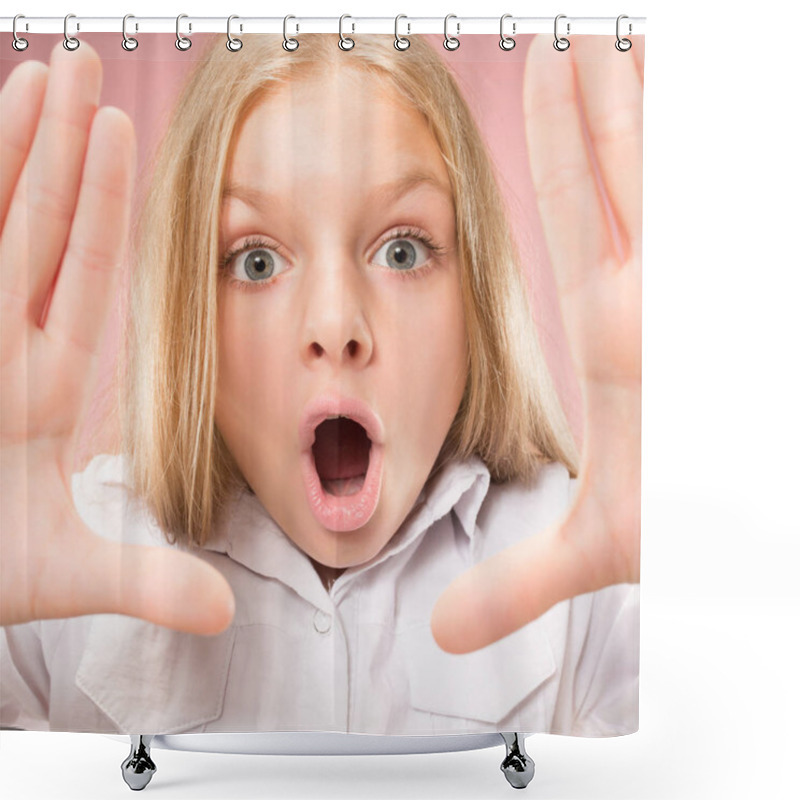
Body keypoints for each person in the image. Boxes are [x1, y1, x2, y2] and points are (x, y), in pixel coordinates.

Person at [0, 32, 642, 735]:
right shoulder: (53, 550)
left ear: (477, 305)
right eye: (255, 262)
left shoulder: (597, 566)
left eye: (402, 250)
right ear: (190, 316)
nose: (336, 325)